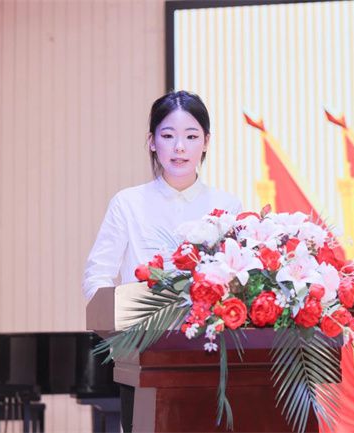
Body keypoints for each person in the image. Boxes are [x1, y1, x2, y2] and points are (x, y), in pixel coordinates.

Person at [82, 90, 242, 432]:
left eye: (191, 137)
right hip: (143, 358)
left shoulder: (228, 206)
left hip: (210, 357)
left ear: (206, 142)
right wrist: (121, 332)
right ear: (152, 142)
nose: (179, 147)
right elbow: (97, 276)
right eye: (168, 136)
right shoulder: (128, 203)